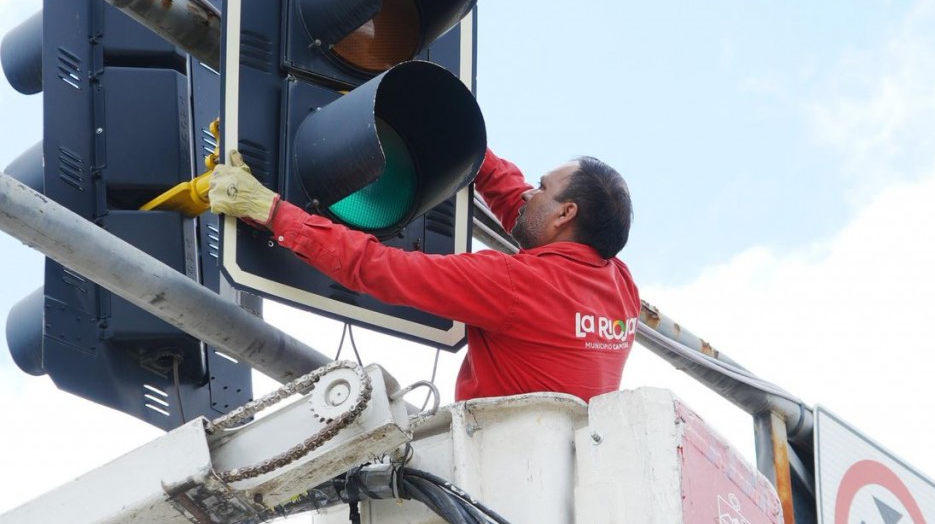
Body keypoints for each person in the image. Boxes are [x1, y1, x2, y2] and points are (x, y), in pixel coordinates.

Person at [209, 147, 639, 404]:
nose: (528, 193)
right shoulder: (621, 286)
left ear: (566, 213)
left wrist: (273, 213)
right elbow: (523, 210)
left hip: (496, 471)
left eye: (542, 188)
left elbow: (377, 267)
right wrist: (458, 137)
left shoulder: (512, 285)